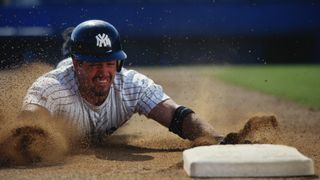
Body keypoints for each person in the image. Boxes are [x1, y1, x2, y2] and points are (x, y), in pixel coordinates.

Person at [21, 19, 224, 145]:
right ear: (78, 63)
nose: (103, 72)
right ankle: (69, 49)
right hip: (66, 67)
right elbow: (26, 123)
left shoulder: (131, 84)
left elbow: (177, 115)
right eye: (94, 63)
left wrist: (216, 139)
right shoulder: (53, 87)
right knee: (64, 62)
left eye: (109, 62)